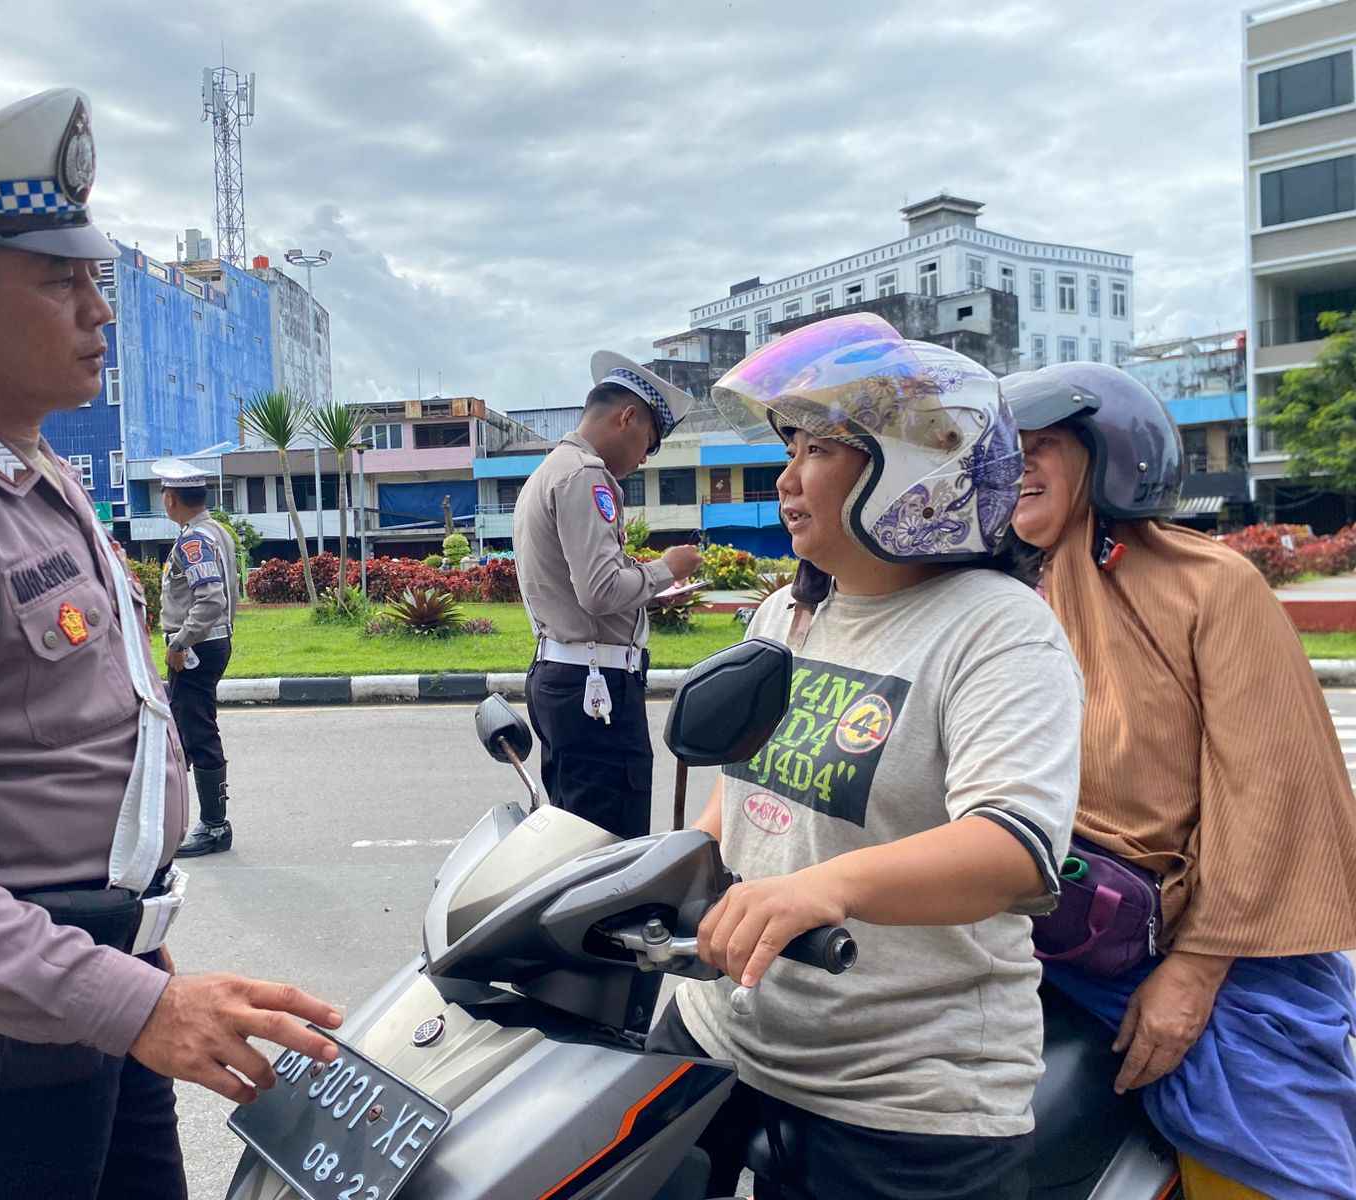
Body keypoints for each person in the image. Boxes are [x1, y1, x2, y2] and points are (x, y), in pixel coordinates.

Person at [0, 88, 340, 1200]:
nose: (101, 312)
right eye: (61, 281)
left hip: (83, 985)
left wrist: (127, 947)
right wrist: (129, 999)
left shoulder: (30, 472)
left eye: (96, 279)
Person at [655, 313, 1083, 1200]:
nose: (787, 477)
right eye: (792, 448)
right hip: (723, 1034)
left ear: (914, 468)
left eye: (819, 450)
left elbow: (1011, 847)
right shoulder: (789, 615)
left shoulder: (996, 629)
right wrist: (677, 872)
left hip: (901, 1095)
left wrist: (825, 889)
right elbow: (740, 795)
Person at [1003, 361, 1356, 1200]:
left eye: (1043, 445)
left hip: (1214, 953)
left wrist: (1193, 976)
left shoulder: (1209, 587)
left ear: (1110, 452)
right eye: (1003, 448)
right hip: (1037, 939)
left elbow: (1268, 795)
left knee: (1282, 1162)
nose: (1016, 464)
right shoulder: (997, 596)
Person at [512, 352, 703, 839]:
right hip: (595, 690)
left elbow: (583, 589)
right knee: (610, 850)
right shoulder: (587, 475)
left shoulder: (549, 470)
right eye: (649, 445)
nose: (642, 459)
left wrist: (642, 589)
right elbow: (599, 591)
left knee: (574, 841)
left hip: (566, 677)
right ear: (627, 417)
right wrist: (667, 569)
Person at [154, 458, 241, 858]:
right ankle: (177, 818)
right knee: (183, 730)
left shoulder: (193, 541)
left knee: (197, 731)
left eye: (163, 494)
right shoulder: (214, 531)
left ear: (171, 499)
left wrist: (179, 643)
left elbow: (210, 600)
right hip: (210, 643)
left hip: (196, 647)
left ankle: (214, 826)